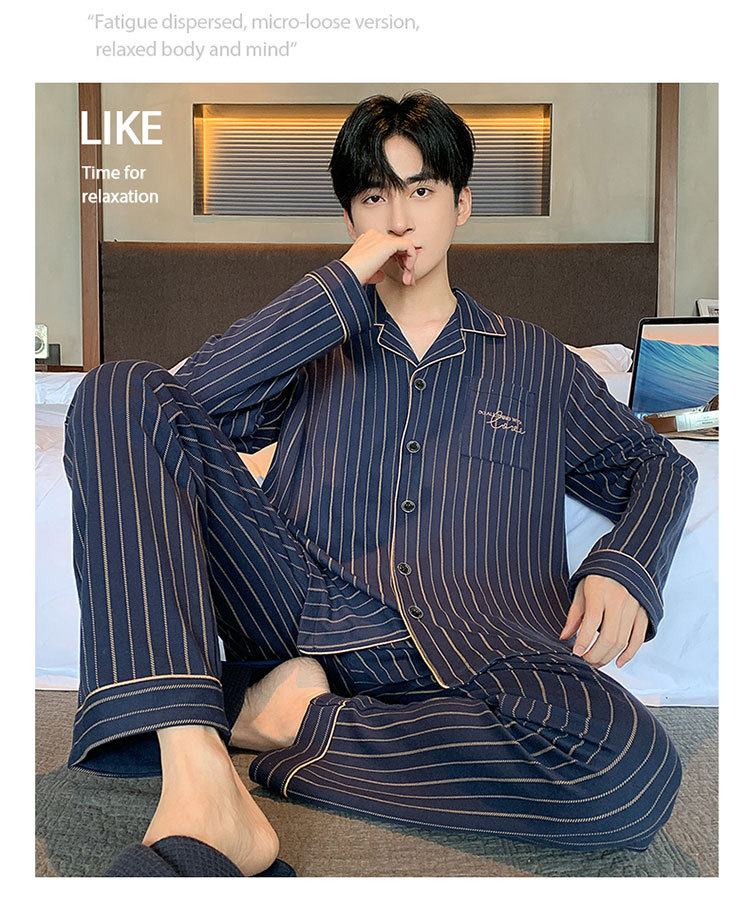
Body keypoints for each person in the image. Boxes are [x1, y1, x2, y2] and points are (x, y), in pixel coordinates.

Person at [63, 91, 698, 876]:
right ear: (351, 219)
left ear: (461, 204)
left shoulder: (540, 364)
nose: (399, 219)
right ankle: (199, 779)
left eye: (421, 190)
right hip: (300, 608)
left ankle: (286, 719)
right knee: (113, 388)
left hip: (485, 642)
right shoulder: (312, 341)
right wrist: (339, 287)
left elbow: (659, 465)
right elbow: (174, 407)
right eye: (374, 197)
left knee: (632, 773)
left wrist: (626, 565)